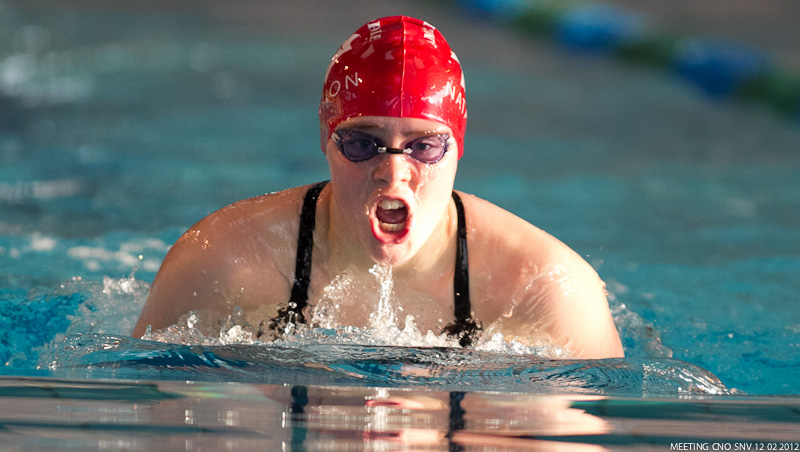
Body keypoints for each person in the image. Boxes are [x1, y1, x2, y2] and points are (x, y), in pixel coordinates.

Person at [132, 16, 624, 359]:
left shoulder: (546, 291)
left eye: (424, 147)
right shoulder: (222, 262)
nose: (393, 173)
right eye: (362, 144)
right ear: (325, 136)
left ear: (458, 145)